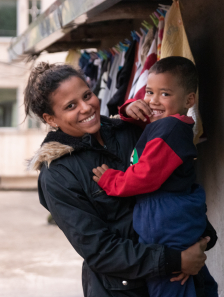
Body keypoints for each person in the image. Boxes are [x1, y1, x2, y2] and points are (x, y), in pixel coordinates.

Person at [25, 62, 217, 297]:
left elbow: (177, 182)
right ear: (51, 119)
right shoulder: (58, 174)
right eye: (71, 106)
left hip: (183, 273)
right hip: (123, 290)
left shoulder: (129, 130)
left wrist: (201, 237)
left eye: (87, 95)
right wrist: (175, 260)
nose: (86, 107)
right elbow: (99, 250)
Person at [92, 57, 218, 297]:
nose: (153, 100)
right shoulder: (170, 124)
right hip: (172, 213)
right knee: (198, 284)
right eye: (149, 91)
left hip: (163, 216)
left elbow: (144, 177)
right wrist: (129, 107)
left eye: (165, 94)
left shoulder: (169, 130)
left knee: (169, 284)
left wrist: (111, 180)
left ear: (189, 100)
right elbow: (145, 124)